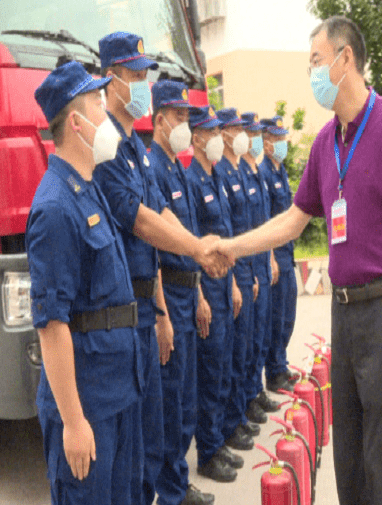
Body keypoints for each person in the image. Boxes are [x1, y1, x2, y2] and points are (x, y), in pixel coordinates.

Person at [212, 15, 382, 505]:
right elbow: (292, 221)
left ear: (344, 59)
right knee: (348, 458)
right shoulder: (326, 143)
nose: (311, 72)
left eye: (315, 60)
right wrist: (232, 246)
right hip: (344, 313)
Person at [93, 31, 229, 505]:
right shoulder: (106, 146)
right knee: (137, 442)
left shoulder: (133, 148)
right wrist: (195, 250)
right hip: (121, 310)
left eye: (144, 76)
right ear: (111, 81)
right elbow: (141, 222)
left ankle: (167, 493)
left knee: (155, 428)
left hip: (147, 306)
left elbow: (161, 218)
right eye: (134, 76)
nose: (142, 86)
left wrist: (196, 246)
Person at [27, 61, 141, 505]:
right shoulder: (55, 207)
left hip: (117, 393)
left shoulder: (88, 186)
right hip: (87, 406)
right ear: (76, 122)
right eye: (98, 103)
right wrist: (73, 422)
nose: (107, 114)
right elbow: (52, 325)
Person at [148, 81, 215, 505]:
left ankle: (180, 482)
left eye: (188, 118)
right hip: (169, 295)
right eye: (179, 117)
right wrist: (163, 315)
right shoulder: (154, 167)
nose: (186, 126)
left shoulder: (177, 168)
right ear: (158, 120)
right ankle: (171, 493)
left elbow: (192, 240)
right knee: (171, 403)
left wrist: (202, 295)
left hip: (190, 292)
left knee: (186, 398)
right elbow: (153, 247)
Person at [184, 105, 244, 483]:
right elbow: (193, 245)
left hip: (225, 285)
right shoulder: (191, 179)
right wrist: (200, 296)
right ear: (197, 138)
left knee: (222, 367)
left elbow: (225, 237)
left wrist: (234, 283)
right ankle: (207, 451)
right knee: (209, 374)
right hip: (205, 288)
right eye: (212, 132)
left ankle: (218, 439)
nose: (220, 138)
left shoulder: (216, 176)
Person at [215, 108, 272, 441]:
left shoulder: (240, 171)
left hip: (256, 264)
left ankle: (246, 402)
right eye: (235, 128)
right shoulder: (221, 172)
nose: (242, 135)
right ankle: (230, 421)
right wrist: (237, 278)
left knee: (253, 342)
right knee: (232, 355)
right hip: (234, 271)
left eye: (243, 129)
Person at [238, 112, 281, 418]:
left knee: (261, 335)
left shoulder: (252, 173)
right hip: (242, 268)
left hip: (261, 264)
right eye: (245, 132)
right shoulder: (236, 172)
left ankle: (255, 391)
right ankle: (244, 403)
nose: (249, 137)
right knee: (242, 345)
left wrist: (270, 258)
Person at [259, 116, 299, 393]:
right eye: (277, 138)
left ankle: (281, 364)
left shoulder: (280, 170)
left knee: (288, 314)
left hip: (289, 251)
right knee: (276, 317)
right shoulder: (262, 171)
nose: (282, 143)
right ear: (266, 141)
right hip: (276, 253)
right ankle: (274, 372)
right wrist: (270, 256)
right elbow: (265, 221)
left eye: (284, 138)